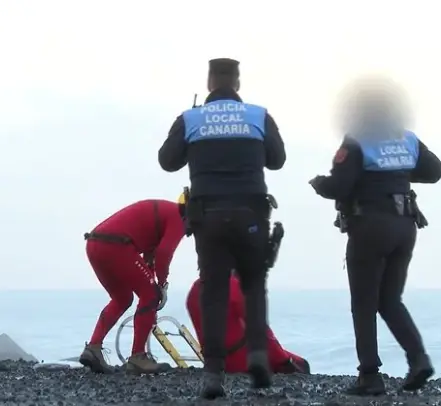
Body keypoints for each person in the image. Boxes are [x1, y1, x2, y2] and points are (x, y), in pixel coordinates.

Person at [158, 58, 286, 399]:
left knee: (213, 292)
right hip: (251, 214)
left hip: (208, 216)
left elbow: (167, 161)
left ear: (211, 81)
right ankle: (258, 356)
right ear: (238, 83)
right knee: (254, 284)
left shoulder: (191, 118)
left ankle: (214, 374)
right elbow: (277, 159)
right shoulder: (258, 116)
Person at [308, 76, 441, 396]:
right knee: (390, 299)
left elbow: (340, 186)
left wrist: (318, 184)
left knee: (364, 303)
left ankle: (370, 376)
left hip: (370, 226)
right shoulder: (407, 139)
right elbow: (434, 171)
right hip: (405, 227)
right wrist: (400, 173)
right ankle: (418, 359)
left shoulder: (357, 140)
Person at [78, 197, 186, 374]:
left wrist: (153, 282)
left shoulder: (164, 215)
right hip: (117, 245)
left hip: (95, 244)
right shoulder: (179, 217)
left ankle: (93, 348)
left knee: (122, 298)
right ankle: (138, 357)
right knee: (151, 295)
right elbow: (164, 253)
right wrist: (162, 285)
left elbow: (148, 260)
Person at [186, 273, 311, 375]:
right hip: (242, 363)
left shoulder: (194, 291)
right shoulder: (233, 286)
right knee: (302, 364)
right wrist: (284, 361)